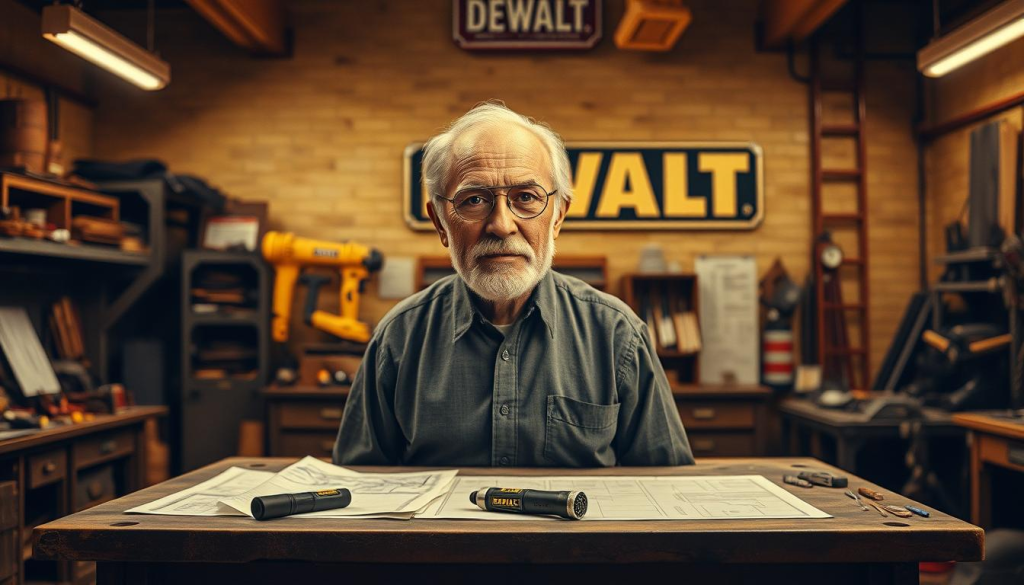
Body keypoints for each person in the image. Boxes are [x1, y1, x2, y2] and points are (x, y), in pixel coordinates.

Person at [333, 101, 693, 467]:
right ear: (441, 222)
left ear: (557, 217)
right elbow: (360, 486)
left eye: (526, 197)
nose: (502, 224)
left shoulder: (617, 334)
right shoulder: (398, 338)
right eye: (474, 200)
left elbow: (665, 483)